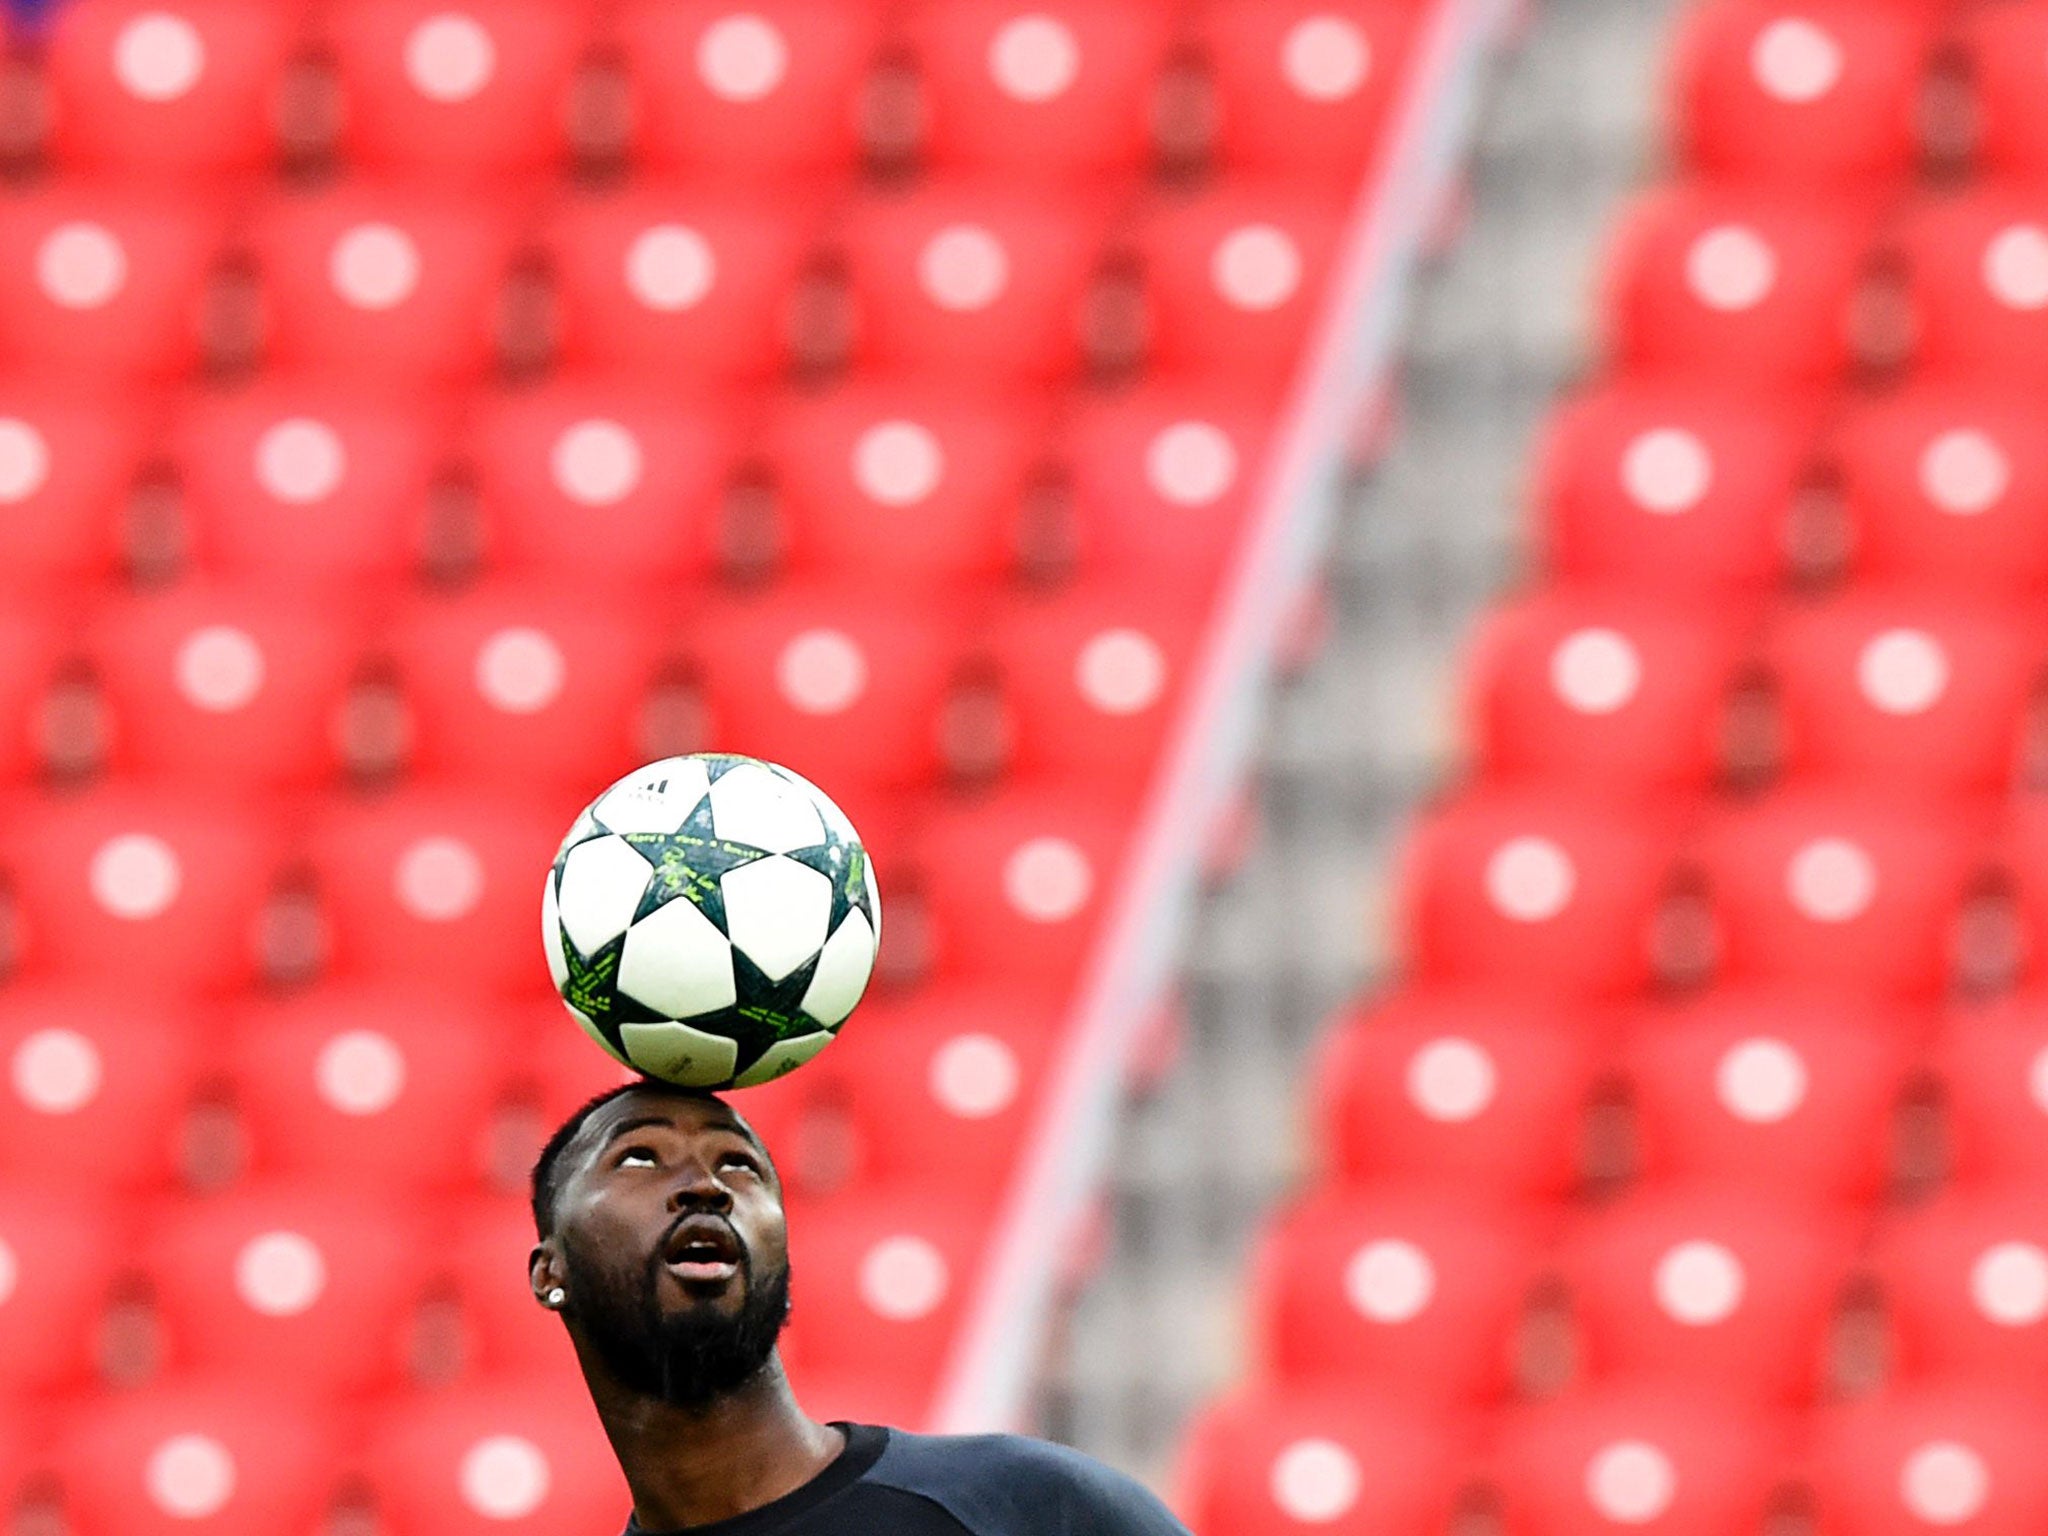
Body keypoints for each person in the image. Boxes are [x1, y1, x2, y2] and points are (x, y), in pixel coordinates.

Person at [527, 1076, 1195, 1535]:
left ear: (783, 1266)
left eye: (739, 1166)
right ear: (549, 1270)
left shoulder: (1028, 1506)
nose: (704, 1186)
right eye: (641, 1158)